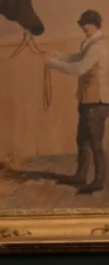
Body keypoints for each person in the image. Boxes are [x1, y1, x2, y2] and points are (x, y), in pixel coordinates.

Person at [46, 10, 109, 194]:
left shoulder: (98, 47)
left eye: (87, 23)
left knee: (95, 142)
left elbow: (79, 68)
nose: (84, 27)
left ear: (96, 24)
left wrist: (53, 64)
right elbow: (77, 58)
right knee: (82, 139)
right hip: (88, 99)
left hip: (97, 101)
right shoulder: (90, 43)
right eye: (82, 23)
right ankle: (81, 176)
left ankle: (98, 181)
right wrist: (57, 55)